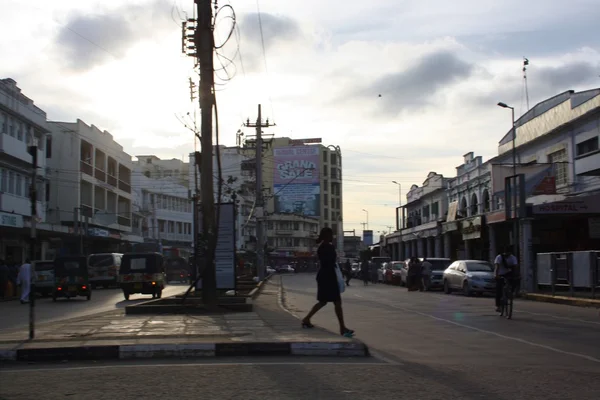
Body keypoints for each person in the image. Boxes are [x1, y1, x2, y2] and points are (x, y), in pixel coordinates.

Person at [302, 227, 354, 337]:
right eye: (331, 235)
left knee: (324, 301)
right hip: (328, 277)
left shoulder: (322, 247)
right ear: (327, 236)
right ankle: (342, 328)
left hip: (325, 276)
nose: (333, 237)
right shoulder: (327, 247)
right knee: (336, 302)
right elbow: (329, 263)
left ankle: (307, 319)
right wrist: (341, 270)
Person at [494, 246, 519, 312]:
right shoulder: (499, 257)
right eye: (506, 253)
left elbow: (516, 267)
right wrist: (496, 275)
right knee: (498, 289)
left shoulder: (513, 258)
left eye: (508, 253)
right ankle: (498, 306)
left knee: (515, 281)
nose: (507, 254)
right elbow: (497, 267)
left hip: (508, 273)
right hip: (500, 273)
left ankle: (511, 292)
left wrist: (516, 275)